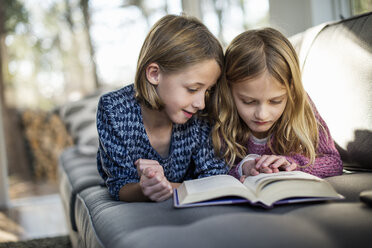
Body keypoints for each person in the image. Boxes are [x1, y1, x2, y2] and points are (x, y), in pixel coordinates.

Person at [96, 14, 228, 202]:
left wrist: (168, 185)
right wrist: (143, 189)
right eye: (192, 89)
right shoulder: (113, 110)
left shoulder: (201, 116)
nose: (201, 103)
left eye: (207, 91)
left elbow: (215, 177)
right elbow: (119, 184)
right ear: (154, 74)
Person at [211, 27, 343, 181]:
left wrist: (292, 165)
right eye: (248, 101)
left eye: (275, 101)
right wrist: (242, 168)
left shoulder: (300, 105)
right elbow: (208, 171)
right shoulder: (221, 114)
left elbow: (334, 162)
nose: (262, 114)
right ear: (229, 90)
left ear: (291, 91)